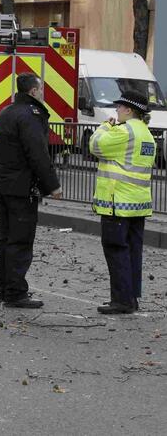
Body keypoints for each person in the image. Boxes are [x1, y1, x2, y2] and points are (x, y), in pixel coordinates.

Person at [0, 73, 62, 308]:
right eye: (40, 89)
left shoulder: (7, 112)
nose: (42, 93)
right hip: (22, 187)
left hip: (4, 184)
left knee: (5, 237)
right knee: (20, 240)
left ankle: (6, 288)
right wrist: (52, 184)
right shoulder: (30, 116)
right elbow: (38, 153)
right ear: (33, 91)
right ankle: (15, 293)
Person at [88, 90, 156, 314]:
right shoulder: (146, 133)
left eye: (119, 107)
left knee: (116, 251)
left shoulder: (124, 131)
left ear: (129, 109)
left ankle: (121, 300)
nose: (116, 111)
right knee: (133, 252)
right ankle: (131, 297)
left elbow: (95, 146)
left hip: (117, 202)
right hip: (137, 204)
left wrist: (105, 126)